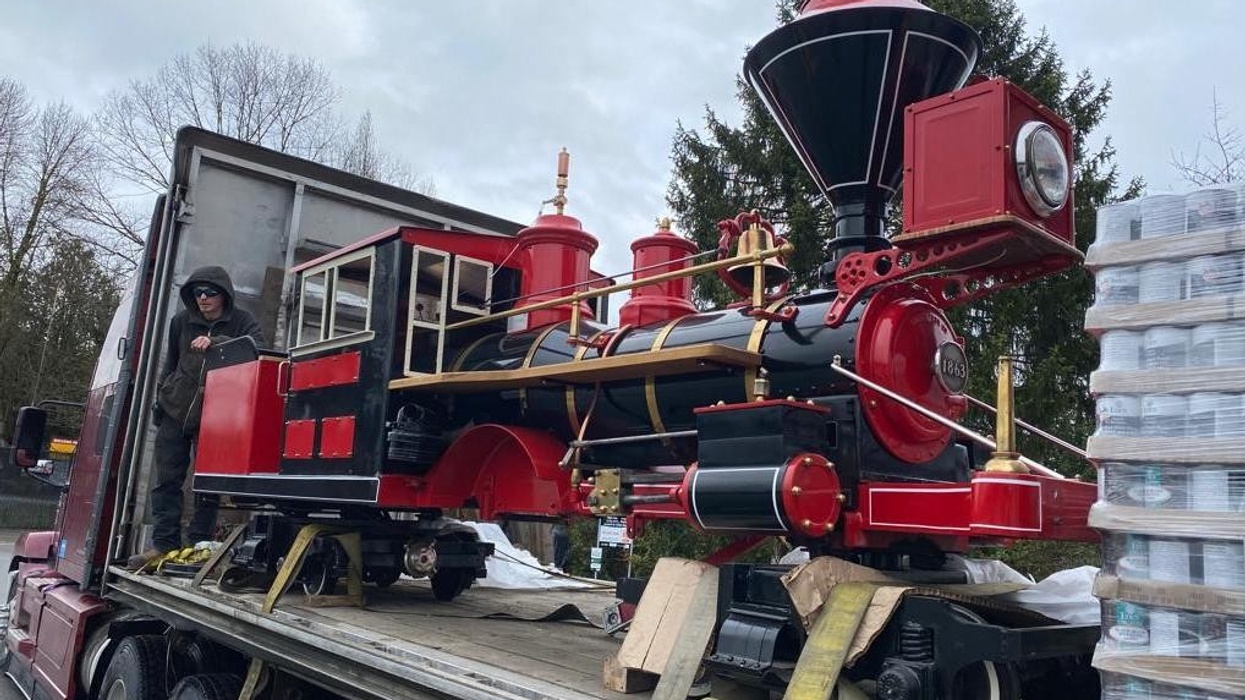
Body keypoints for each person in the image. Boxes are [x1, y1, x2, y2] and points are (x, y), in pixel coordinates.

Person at [128, 266, 263, 569]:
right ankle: (163, 546)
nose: (203, 298)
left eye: (210, 293)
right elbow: (171, 365)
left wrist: (218, 342)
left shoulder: (244, 321)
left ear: (224, 295)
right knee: (167, 481)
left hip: (216, 417)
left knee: (206, 484)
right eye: (197, 293)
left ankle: (198, 545)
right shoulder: (181, 322)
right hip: (175, 411)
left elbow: (258, 352)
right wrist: (161, 401)